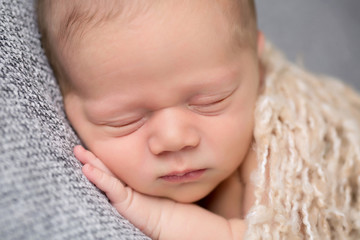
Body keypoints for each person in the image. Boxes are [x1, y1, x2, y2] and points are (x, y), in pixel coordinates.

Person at [36, 0, 360, 239]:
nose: (174, 138)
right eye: (125, 119)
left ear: (257, 66)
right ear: (67, 103)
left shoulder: (284, 152)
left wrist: (158, 217)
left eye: (209, 101)